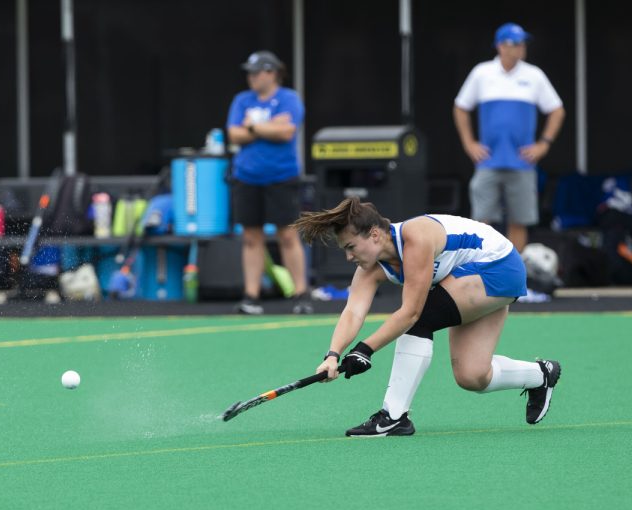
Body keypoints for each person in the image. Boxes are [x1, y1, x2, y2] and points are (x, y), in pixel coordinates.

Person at [294, 198, 561, 437]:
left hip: (499, 267)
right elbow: (353, 312)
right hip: (468, 278)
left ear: (374, 235)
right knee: (472, 376)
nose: (348, 256)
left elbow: (411, 312)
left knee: (420, 318)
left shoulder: (416, 238)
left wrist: (364, 350)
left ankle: (393, 417)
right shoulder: (369, 268)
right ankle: (541, 374)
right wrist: (333, 355)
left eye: (351, 247)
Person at [453, 23, 565, 257]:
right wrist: (469, 143)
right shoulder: (482, 73)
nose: (521, 48)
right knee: (482, 222)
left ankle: (514, 278)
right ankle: (484, 272)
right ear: (500, 46)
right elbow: (461, 107)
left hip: (521, 163)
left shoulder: (534, 75)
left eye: (523, 43)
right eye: (515, 43)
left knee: (519, 220)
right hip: (488, 162)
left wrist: (543, 143)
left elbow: (557, 110)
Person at [226, 50, 311, 315]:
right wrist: (267, 127)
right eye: (249, 73)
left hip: (281, 177)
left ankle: (300, 294)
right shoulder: (242, 100)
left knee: (287, 234)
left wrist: (252, 127)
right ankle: (251, 296)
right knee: (251, 236)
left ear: (272, 73)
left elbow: (286, 132)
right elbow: (233, 133)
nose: (251, 78)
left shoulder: (288, 99)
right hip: (247, 177)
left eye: (256, 72)